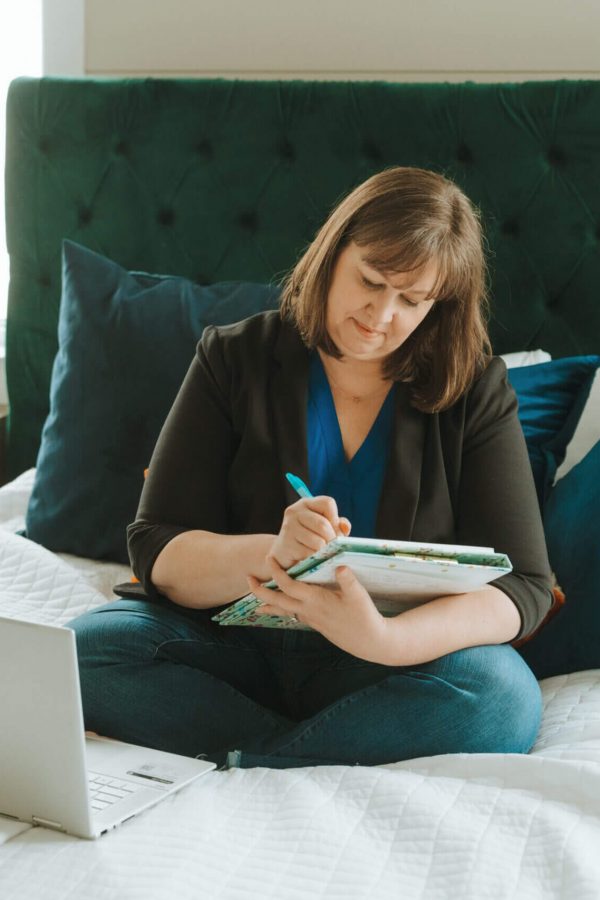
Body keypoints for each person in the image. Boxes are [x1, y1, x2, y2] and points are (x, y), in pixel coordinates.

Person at [68, 166, 553, 770]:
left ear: (440, 304)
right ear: (333, 253)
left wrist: (385, 639)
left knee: (501, 700)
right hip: (231, 651)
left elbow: (523, 586)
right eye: (371, 281)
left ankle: (253, 758)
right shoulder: (232, 357)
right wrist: (271, 553)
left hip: (384, 663)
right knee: (83, 653)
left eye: (412, 300)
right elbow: (156, 546)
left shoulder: (475, 389)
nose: (382, 315)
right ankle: (323, 748)